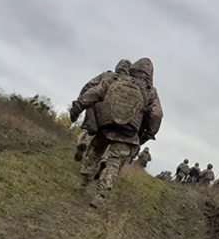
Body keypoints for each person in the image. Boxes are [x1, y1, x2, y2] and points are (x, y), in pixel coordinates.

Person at [69, 57, 163, 207]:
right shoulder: (150, 92)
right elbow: (157, 114)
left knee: (95, 153)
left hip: (106, 125)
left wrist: (78, 106)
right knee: (114, 162)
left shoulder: (116, 79)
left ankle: (83, 183)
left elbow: (95, 91)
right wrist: (147, 134)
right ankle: (100, 196)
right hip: (129, 132)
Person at [73, 59, 132, 163]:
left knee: (88, 127)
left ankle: (83, 142)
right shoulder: (128, 83)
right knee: (102, 137)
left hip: (95, 106)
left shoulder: (106, 75)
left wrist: (82, 100)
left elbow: (89, 86)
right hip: (111, 113)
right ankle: (93, 159)